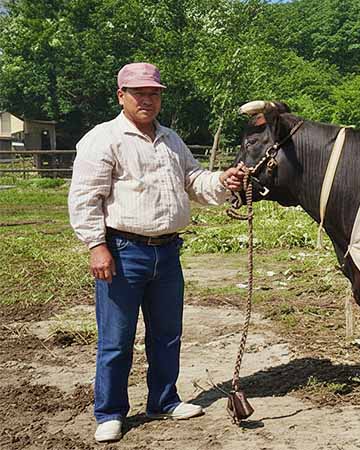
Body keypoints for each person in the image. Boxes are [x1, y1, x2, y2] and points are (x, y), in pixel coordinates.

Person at [68, 62, 246, 443]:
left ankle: (163, 399)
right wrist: (97, 246)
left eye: (154, 92)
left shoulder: (170, 139)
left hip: (167, 252)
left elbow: (193, 180)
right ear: (121, 96)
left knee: (167, 333)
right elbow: (85, 197)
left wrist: (223, 180)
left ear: (161, 97)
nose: (147, 99)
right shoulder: (104, 139)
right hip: (123, 250)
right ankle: (110, 411)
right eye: (138, 93)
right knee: (116, 337)